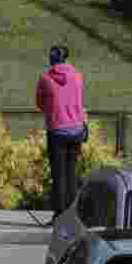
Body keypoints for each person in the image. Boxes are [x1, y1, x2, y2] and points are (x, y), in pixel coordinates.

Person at [35, 45, 87, 224]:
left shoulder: (45, 79)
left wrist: (54, 111)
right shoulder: (78, 77)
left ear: (51, 59)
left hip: (57, 130)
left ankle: (59, 216)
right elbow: (80, 102)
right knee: (71, 174)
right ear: (66, 58)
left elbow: (40, 104)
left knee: (59, 175)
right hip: (77, 129)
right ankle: (73, 216)